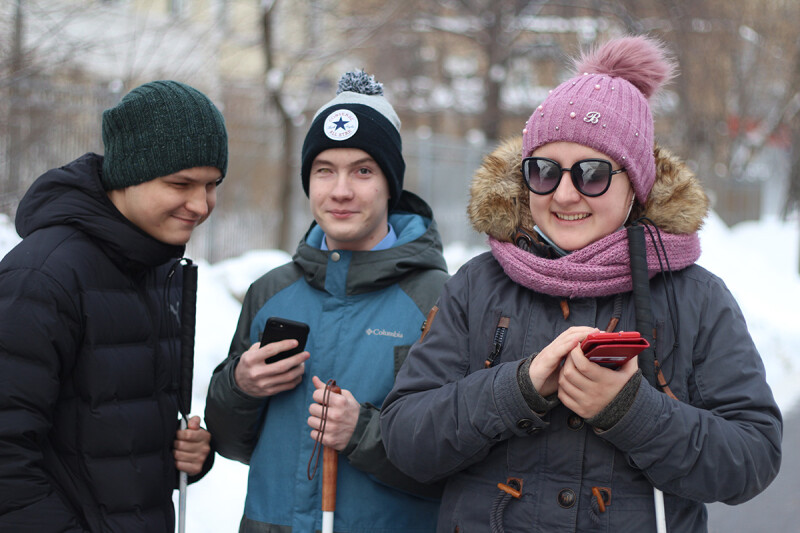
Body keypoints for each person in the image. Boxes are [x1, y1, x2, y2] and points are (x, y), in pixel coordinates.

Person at [380, 35, 782, 532]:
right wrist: (517, 388)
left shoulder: (695, 297)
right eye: (544, 171)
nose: (565, 193)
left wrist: (628, 409)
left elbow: (752, 458)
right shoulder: (477, 284)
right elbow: (405, 440)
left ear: (635, 183)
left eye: (592, 173)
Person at [205, 70, 448, 532]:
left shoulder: (437, 298)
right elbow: (231, 442)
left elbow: (456, 456)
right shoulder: (271, 292)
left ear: (390, 183)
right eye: (324, 170)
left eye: (362, 170)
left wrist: (363, 432)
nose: (340, 190)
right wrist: (240, 387)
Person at [0, 80, 227, 532]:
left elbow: (112, 433)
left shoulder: (155, 265)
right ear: (128, 173)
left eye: (212, 185)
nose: (200, 205)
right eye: (180, 183)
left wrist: (188, 455)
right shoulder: (42, 277)